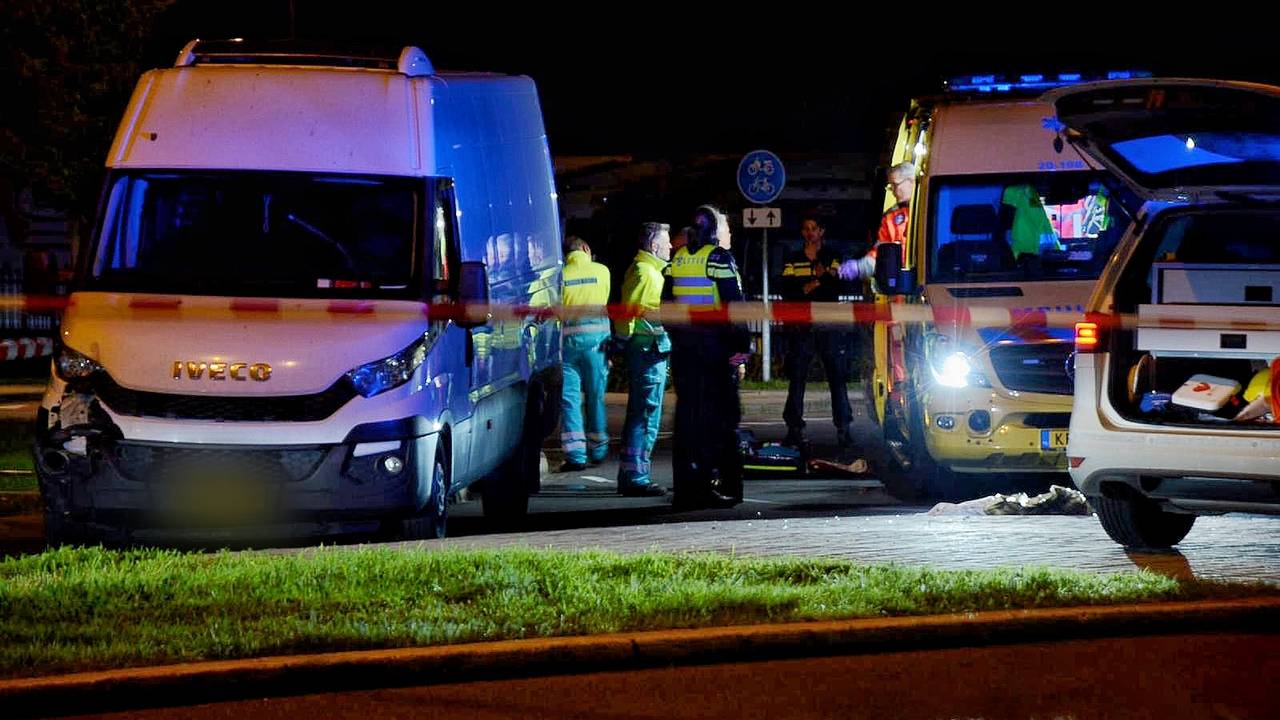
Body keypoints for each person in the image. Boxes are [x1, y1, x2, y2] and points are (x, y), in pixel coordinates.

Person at [667, 205, 750, 509]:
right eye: (727, 227)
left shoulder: (678, 259)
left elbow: (666, 305)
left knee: (688, 419)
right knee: (722, 418)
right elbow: (734, 307)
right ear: (715, 231)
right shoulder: (718, 258)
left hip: (685, 351)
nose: (729, 233)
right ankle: (721, 485)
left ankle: (686, 489)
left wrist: (679, 336)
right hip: (715, 350)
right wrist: (742, 347)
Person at [779, 214, 853, 447]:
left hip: (828, 324)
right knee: (797, 378)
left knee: (836, 378)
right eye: (806, 228)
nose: (810, 233)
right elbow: (786, 291)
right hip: (802, 326)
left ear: (821, 231)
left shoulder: (833, 256)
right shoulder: (793, 258)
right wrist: (816, 281)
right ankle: (794, 428)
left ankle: (843, 428)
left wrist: (814, 285)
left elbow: (838, 286)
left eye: (814, 228)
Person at [612, 222, 673, 496]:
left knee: (645, 413)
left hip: (650, 350)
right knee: (645, 414)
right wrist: (626, 343)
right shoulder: (645, 272)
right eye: (667, 242)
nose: (671, 246)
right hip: (647, 351)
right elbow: (629, 315)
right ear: (654, 246)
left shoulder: (649, 271)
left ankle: (634, 471)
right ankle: (635, 475)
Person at [559, 236, 611, 472]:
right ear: (585, 248)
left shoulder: (560, 276)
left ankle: (575, 455)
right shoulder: (602, 271)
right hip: (597, 345)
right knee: (595, 397)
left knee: (569, 399)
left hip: (568, 345)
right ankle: (598, 448)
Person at [838, 161, 916, 283]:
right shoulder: (892, 218)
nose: (894, 191)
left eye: (896, 185)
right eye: (891, 187)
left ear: (912, 182)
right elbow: (880, 253)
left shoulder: (936, 207)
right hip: (904, 282)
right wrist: (861, 267)